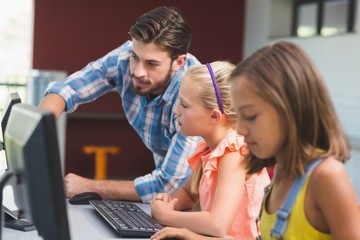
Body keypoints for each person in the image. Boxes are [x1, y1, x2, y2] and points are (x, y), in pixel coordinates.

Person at [151, 41, 360, 240]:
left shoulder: (327, 177)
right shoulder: (282, 175)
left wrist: (169, 218)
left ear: (288, 111)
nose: (240, 129)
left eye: (251, 116)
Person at [39, 6, 201, 203]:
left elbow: (167, 184)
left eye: (151, 64)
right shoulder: (126, 57)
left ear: (179, 62)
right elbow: (68, 89)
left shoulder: (194, 97)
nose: (138, 71)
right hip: (168, 194)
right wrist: (38, 129)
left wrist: (91, 187)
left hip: (205, 196)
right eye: (135, 57)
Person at [150, 61, 270, 238]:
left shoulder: (234, 152)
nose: (176, 110)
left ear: (214, 116)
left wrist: (167, 216)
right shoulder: (210, 148)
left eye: (184, 105)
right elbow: (189, 194)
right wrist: (169, 203)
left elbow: (218, 225)